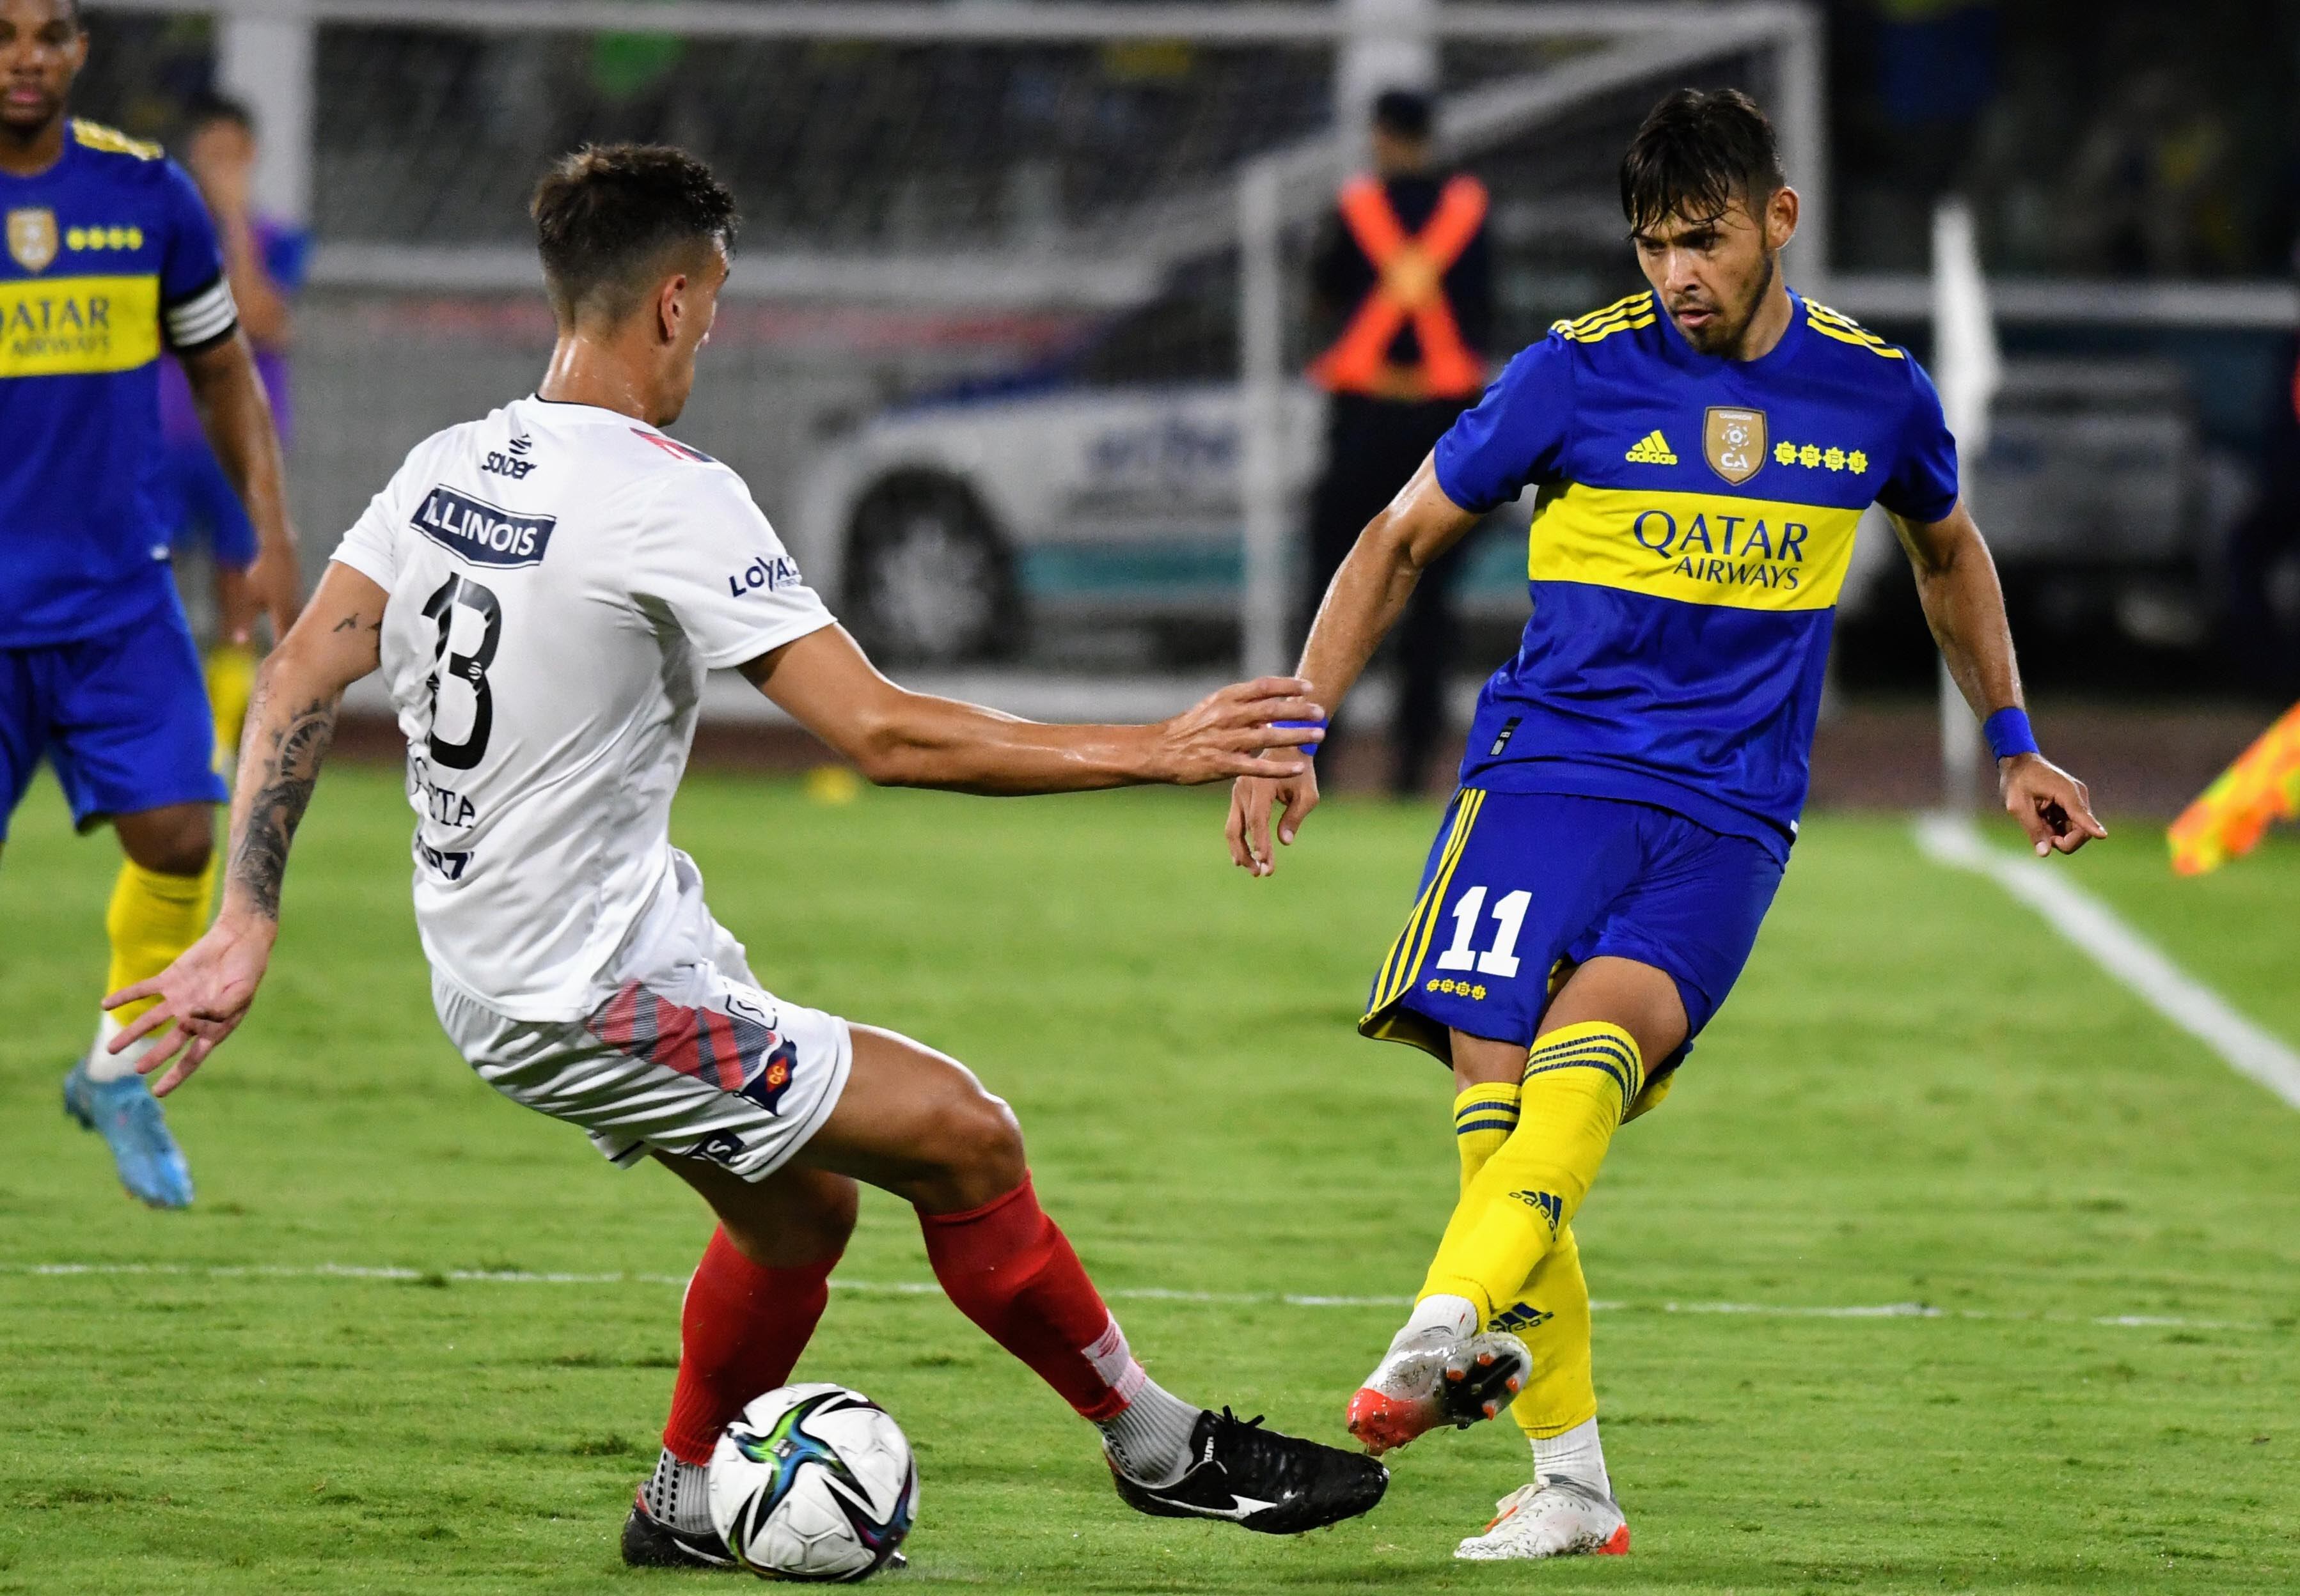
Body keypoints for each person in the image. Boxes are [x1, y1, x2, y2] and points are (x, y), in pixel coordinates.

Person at [106, 143, 1389, 1568]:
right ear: (669, 301)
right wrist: (1160, 745)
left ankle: (676, 1510)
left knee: (801, 1216)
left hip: (537, 949)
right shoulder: (667, 491)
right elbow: (883, 735)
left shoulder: (449, 464)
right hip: (578, 984)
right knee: (967, 1139)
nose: (715, 326)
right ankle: (1161, 1450)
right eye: (713, 296)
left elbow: (292, 677)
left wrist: (245, 919)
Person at [1225, 88, 2105, 1560]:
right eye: (1650, 247)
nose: (1673, 276)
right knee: (1496, 1123)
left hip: (1727, 816)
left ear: (1777, 218)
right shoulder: (1567, 379)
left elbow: (1948, 553)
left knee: (1595, 1062)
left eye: (1700, 240)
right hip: (1542, 783)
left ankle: (1448, 1319)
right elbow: (1393, 541)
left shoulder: (1872, 393)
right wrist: (1296, 721)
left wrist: (2010, 740)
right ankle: (1564, 1476)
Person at [0, 0, 299, 1209]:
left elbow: (224, 369)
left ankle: (116, 1071)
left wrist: (270, 533)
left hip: (118, 598)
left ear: (81, 52)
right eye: (4, 33)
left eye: (49, 35)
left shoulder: (147, 196)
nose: (26, 57)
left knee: (182, 835)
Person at [1304, 87, 1492, 797]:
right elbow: (1482, 309)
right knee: (1432, 603)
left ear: (1381, 134)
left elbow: (1322, 299)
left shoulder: (1355, 210)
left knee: (1332, 590)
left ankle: (1310, 757)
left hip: (1365, 418)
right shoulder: (1469, 214)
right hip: (1443, 427)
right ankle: (1411, 769)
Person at [155, 91, 310, 774]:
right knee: (151, 590)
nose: (221, 169)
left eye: (232, 156)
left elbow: (259, 317)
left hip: (242, 444)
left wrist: (237, 221)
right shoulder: (161, 238)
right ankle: (159, 731)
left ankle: (220, 744)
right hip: (161, 438)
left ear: (251, 158)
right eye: (209, 155)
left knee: (236, 593)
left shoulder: (279, 240)